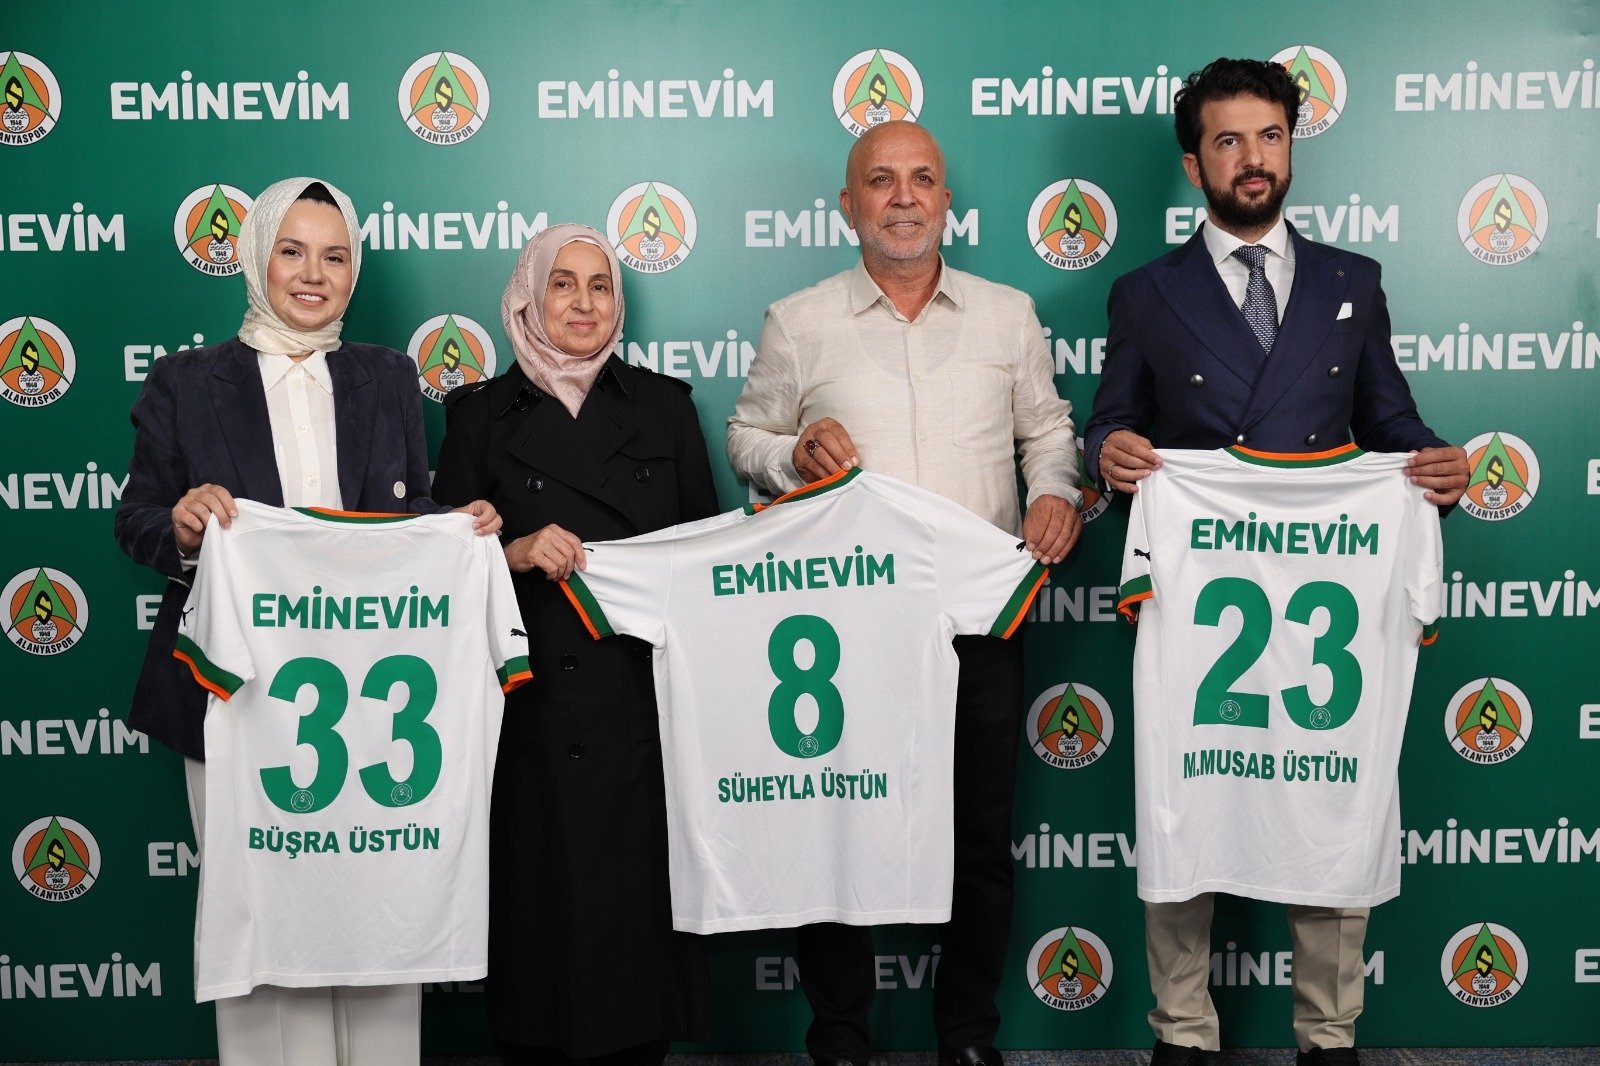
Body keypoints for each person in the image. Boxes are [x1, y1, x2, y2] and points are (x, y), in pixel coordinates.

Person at [1082, 58, 1468, 1066]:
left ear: (1289, 147)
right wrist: (1109, 453)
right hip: (1206, 594)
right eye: (1227, 140)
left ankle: (1328, 1033)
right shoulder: (1144, 293)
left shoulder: (1353, 281)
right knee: (1187, 788)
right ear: (1191, 160)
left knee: (1329, 782)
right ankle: (1182, 1032)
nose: (1251, 159)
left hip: (1322, 585)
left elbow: (1389, 424)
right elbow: (1112, 421)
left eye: (1268, 136)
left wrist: (1431, 468)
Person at [114, 176, 499, 1066]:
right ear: (256, 258)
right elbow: (134, 518)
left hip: (366, 700)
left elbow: (411, 518)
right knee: (258, 921)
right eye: (292, 251)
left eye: (335, 255)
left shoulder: (388, 376)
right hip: (232, 699)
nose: (313, 274)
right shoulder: (185, 381)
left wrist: (456, 530)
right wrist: (177, 526)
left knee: (379, 902)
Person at [726, 120, 1081, 1066]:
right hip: (845, 632)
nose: (903, 196)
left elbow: (1048, 431)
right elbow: (744, 439)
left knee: (979, 842)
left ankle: (967, 1035)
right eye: (879, 181)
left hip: (979, 624)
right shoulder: (798, 320)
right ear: (849, 205)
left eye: (922, 179)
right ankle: (840, 1036)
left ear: (947, 201)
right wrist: (789, 454)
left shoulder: (1009, 315)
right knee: (837, 833)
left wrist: (1054, 490)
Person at [430, 223, 718, 1066]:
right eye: (564, 284)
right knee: (544, 944)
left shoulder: (665, 407)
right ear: (528, 296)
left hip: (640, 718)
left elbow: (700, 561)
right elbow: (441, 573)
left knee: (632, 951)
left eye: (600, 286)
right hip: (532, 722)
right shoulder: (478, 415)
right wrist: (511, 554)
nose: (584, 303)